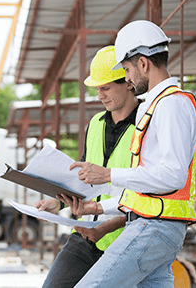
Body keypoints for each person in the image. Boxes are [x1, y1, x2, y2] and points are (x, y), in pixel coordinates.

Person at [62, 20, 196, 288]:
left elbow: (172, 176)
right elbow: (150, 187)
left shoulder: (171, 104)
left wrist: (108, 175)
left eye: (126, 69)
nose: (127, 78)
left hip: (154, 228)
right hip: (156, 224)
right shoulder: (159, 105)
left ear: (143, 64)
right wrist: (100, 207)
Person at [34, 45, 140, 288]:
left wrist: (106, 226)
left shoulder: (146, 126)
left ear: (127, 81)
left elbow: (148, 191)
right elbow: (83, 180)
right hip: (83, 235)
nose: (100, 95)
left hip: (123, 239)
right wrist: (59, 202)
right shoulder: (95, 124)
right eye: (97, 89)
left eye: (105, 88)